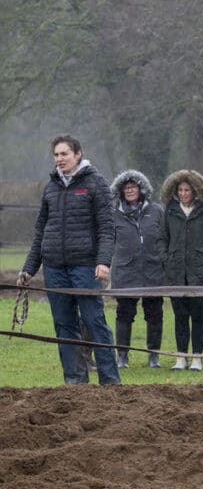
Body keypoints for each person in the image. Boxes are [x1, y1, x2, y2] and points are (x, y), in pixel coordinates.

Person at [18, 135, 120, 385]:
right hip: (54, 267)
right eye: (56, 155)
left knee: (94, 321)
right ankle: (75, 382)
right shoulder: (50, 187)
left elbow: (107, 227)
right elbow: (41, 231)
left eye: (64, 154)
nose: (59, 159)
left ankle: (110, 382)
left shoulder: (95, 183)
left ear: (78, 154)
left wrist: (103, 261)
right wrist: (29, 269)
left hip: (85, 266)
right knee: (64, 325)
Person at [158, 170, 203, 371]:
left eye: (187, 190)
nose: (183, 194)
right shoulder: (170, 211)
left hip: (200, 275)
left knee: (198, 316)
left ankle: (197, 357)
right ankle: (181, 357)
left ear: (195, 191)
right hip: (176, 273)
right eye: (180, 190)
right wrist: (167, 258)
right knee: (180, 317)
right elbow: (162, 238)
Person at [109, 170, 165, 369]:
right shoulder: (114, 214)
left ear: (142, 189)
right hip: (125, 271)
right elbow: (107, 242)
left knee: (155, 314)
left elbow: (165, 238)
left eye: (133, 187)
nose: (130, 190)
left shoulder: (157, 211)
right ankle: (122, 356)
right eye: (126, 188)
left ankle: (153, 356)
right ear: (120, 191)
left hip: (153, 270)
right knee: (124, 314)